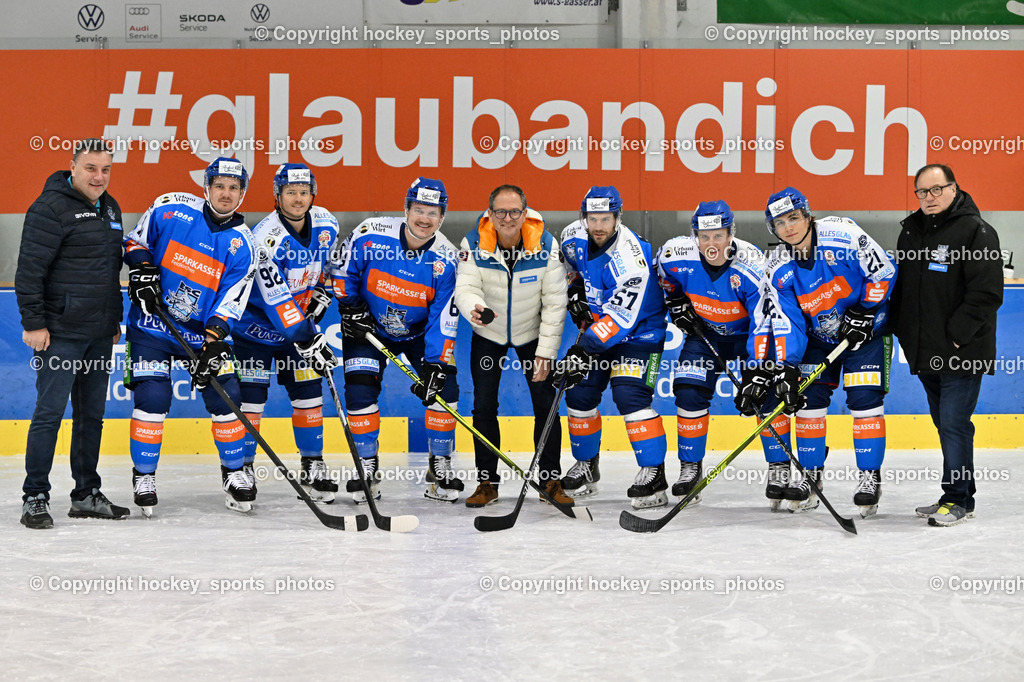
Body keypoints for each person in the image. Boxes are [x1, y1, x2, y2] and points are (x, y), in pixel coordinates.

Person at [123, 157, 258, 515]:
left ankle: (233, 474)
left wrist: (213, 343)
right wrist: (143, 270)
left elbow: (232, 300)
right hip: (153, 325)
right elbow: (135, 243)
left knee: (227, 395)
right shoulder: (170, 208)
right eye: (220, 186)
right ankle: (144, 476)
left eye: (234, 188)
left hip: (201, 335)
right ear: (206, 186)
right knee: (152, 396)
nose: (226, 194)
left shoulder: (244, 244)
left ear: (242, 194)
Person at [756, 187, 897, 517]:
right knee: (809, 402)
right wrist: (788, 365)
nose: (789, 227)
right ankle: (810, 475)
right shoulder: (778, 267)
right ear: (773, 229)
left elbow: (884, 270)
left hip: (868, 334)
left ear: (807, 215)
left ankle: (869, 478)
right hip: (820, 341)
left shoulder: (843, 234)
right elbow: (790, 321)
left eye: (793, 218)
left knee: (865, 400)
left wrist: (866, 310)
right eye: (780, 223)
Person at [15, 138, 129, 528]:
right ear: (73, 167)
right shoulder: (49, 208)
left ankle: (85, 494)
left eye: (106, 169)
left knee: (91, 417)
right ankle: (35, 495)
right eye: (91, 168)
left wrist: (113, 319)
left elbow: (110, 272)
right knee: (49, 413)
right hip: (60, 332)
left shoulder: (110, 208)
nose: (99, 177)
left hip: (99, 332)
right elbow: (29, 271)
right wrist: (34, 323)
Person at [331, 177, 462, 503]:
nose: (425, 218)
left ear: (442, 217)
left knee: (445, 389)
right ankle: (367, 466)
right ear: (405, 209)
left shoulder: (446, 260)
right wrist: (350, 308)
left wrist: (437, 363)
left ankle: (439, 465)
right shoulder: (370, 233)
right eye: (419, 210)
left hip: (417, 334)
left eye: (433, 212)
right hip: (368, 330)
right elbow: (342, 271)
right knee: (360, 390)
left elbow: (443, 318)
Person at [891, 164, 1003, 527]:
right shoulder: (911, 232)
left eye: (936, 190)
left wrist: (956, 336)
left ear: (954, 188)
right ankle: (960, 495)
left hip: (962, 352)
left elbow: (986, 294)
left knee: (954, 422)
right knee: (947, 423)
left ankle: (955, 498)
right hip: (926, 352)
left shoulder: (976, 232)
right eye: (922, 192)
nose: (929, 198)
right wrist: (903, 333)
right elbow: (905, 291)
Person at [655, 200, 781, 508]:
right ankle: (690, 468)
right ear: (694, 236)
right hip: (706, 334)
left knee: (766, 394)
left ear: (731, 234)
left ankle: (779, 466)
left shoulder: (752, 268)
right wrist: (677, 303)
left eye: (719, 236)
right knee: (688, 389)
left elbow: (764, 322)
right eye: (705, 236)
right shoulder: (674, 255)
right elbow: (666, 282)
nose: (711, 244)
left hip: (749, 336)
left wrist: (758, 370)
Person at [551, 186, 669, 509]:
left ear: (618, 218)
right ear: (583, 217)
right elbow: (572, 269)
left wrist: (583, 349)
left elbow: (620, 318)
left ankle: (654, 474)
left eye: (606, 218)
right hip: (600, 330)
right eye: (593, 218)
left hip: (640, 334)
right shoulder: (573, 236)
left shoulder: (631, 260)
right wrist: (576, 291)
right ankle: (587, 467)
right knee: (578, 391)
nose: (598, 225)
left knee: (630, 396)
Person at [454, 184, 570, 508]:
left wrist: (546, 352)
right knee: (483, 407)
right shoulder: (473, 244)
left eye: (514, 211)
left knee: (546, 405)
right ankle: (487, 483)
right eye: (500, 212)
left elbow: (555, 302)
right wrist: (474, 307)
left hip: (531, 333)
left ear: (525, 213)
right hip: (488, 333)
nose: (508, 218)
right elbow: (465, 286)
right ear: (489, 214)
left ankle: (550, 480)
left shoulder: (546, 244)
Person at [233, 163, 341, 503]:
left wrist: (324, 290)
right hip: (254, 331)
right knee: (251, 402)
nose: (298, 199)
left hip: (296, 328)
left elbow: (330, 263)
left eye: (304, 192)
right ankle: (244, 468)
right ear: (277, 197)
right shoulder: (265, 238)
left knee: (309, 396)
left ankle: (313, 465)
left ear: (313, 195)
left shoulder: (327, 223)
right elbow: (276, 299)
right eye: (290, 193)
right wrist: (308, 338)